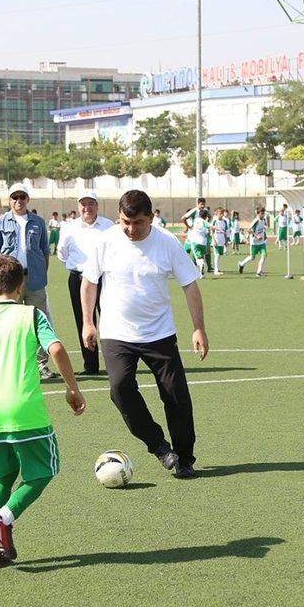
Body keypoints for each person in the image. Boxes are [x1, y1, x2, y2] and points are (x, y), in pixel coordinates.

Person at [0, 255, 86, 566]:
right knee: (45, 470)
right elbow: (57, 349)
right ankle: (3, 520)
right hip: (25, 410)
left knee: (1, 475)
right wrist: (72, 388)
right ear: (21, 287)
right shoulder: (31, 315)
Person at [81, 189, 208, 479]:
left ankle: (184, 457)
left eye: (137, 222)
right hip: (116, 332)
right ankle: (160, 447)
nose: (130, 228)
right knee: (120, 388)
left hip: (160, 333)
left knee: (176, 395)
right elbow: (89, 283)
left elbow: (189, 285)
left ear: (150, 218)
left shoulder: (167, 243)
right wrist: (88, 322)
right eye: (125, 221)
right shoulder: (106, 240)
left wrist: (198, 328)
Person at [0, 182, 56, 379]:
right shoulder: (0, 223)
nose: (18, 201)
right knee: (10, 323)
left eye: (22, 197)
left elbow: (45, 252)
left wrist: (42, 274)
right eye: (14, 197)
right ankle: (13, 365)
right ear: (10, 200)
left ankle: (41, 364)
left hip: (34, 280)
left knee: (39, 321)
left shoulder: (38, 222)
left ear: (28, 199)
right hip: (9, 281)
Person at [57, 191, 113, 375]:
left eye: (91, 203)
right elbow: (62, 253)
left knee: (109, 320)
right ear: (78, 206)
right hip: (78, 278)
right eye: (83, 203)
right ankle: (91, 366)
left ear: (97, 205)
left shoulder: (108, 226)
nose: (87, 207)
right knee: (84, 321)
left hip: (104, 279)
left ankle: (115, 363)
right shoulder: (69, 227)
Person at [238, 207, 268, 276]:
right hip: (254, 243)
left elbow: (263, 228)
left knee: (264, 255)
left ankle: (259, 271)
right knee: (252, 257)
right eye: (261, 213)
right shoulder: (255, 221)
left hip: (262, 242)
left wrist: (264, 235)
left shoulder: (264, 220)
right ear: (258, 214)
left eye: (263, 213)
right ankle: (241, 264)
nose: (263, 215)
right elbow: (249, 230)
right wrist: (257, 236)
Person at [189, 209, 210, 277]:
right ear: (206, 216)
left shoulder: (195, 220)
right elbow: (207, 233)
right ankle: (201, 274)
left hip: (195, 241)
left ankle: (201, 265)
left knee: (198, 258)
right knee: (201, 257)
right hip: (204, 242)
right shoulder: (205, 222)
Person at [212, 207, 228, 275]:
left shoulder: (224, 221)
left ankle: (217, 268)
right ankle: (215, 270)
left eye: (222, 213)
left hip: (222, 240)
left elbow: (225, 231)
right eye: (220, 213)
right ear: (217, 213)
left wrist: (226, 240)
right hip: (216, 239)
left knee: (219, 255)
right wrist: (214, 240)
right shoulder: (215, 221)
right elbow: (212, 231)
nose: (221, 215)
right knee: (217, 255)